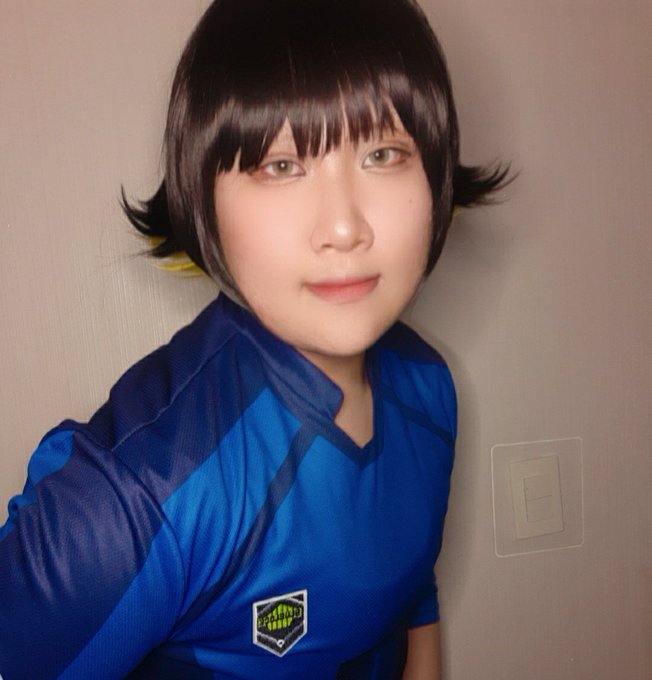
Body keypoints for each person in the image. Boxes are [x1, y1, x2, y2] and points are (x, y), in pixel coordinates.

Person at [0, 0, 508, 677]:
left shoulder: (429, 387)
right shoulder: (136, 495)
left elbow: (415, 591)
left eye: (382, 154)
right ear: (203, 196)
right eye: (281, 165)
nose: (343, 227)